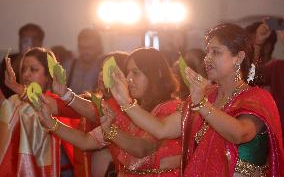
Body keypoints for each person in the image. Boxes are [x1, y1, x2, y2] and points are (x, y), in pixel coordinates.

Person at [109, 24, 284, 176]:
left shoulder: (255, 98)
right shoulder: (206, 96)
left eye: (216, 52)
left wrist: (202, 104)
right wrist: (125, 102)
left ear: (238, 57)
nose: (207, 59)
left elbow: (239, 134)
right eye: (207, 52)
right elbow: (161, 129)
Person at [38, 48, 182, 176]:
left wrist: (111, 129)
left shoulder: (171, 109)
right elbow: (86, 141)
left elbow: (142, 149)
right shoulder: (128, 110)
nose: (129, 78)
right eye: (127, 73)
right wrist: (51, 123)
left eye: (136, 72)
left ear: (157, 73)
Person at [0, 47, 81, 176]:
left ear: (48, 76)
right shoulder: (13, 101)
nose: (26, 75)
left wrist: (17, 87)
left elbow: (39, 101)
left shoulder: (55, 103)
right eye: (23, 69)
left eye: (33, 69)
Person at [0, 23, 45, 98]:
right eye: (24, 38)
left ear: (40, 42)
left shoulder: (45, 61)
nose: (27, 42)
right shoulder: (9, 60)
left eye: (33, 38)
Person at [67, 28, 104, 94]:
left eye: (90, 47)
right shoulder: (69, 66)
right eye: (82, 47)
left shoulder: (103, 69)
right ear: (78, 47)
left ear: (98, 47)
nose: (86, 51)